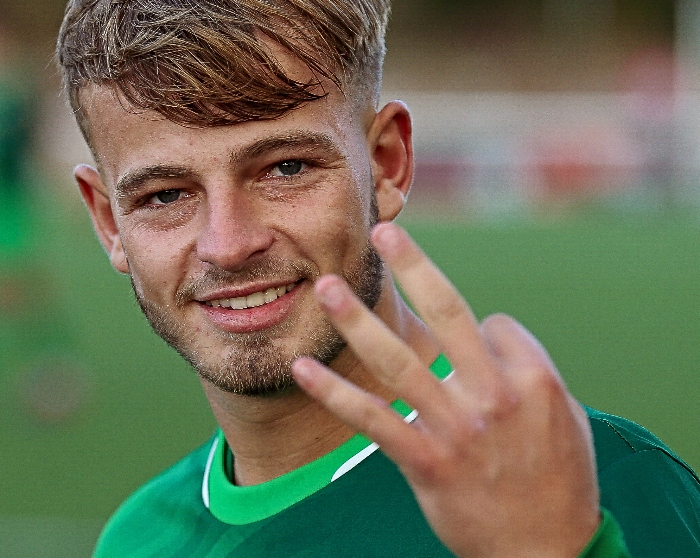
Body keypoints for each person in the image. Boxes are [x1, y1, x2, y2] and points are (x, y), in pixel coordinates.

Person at [56, 1, 700, 556]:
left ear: (387, 163)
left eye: (285, 168)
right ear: (109, 222)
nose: (228, 245)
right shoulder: (139, 538)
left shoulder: (601, 490)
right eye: (165, 196)